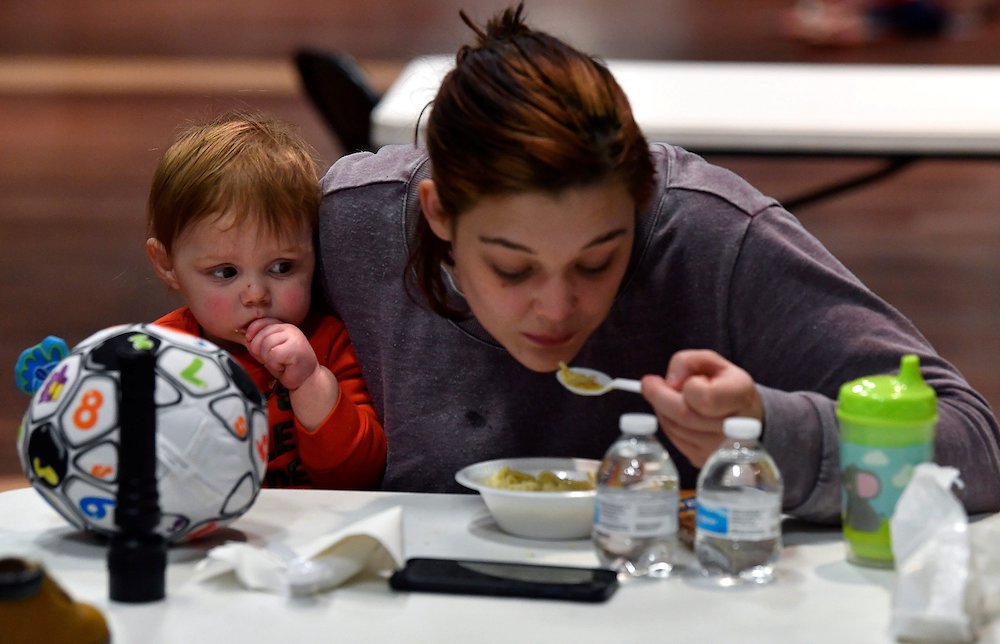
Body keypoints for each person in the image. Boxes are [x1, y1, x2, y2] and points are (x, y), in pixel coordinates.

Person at [316, 4, 999, 522]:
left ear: (641, 204)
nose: (556, 309)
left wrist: (766, 428)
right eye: (513, 270)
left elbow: (975, 447)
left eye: (597, 262)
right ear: (437, 215)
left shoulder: (711, 237)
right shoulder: (353, 227)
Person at [146, 111, 386, 489]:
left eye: (281, 267)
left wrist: (310, 383)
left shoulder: (327, 344)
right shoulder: (159, 354)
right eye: (225, 272)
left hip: (311, 533)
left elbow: (360, 476)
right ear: (167, 264)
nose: (256, 294)